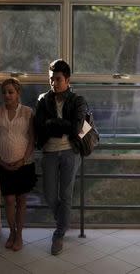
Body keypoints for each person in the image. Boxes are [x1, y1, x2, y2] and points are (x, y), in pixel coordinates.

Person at [34, 59, 86, 255]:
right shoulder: (42, 99)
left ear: (67, 79)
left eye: (57, 79)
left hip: (70, 152)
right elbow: (39, 126)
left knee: (65, 194)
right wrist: (59, 124)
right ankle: (63, 221)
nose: (53, 83)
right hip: (49, 151)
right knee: (48, 194)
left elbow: (75, 128)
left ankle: (59, 233)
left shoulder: (77, 100)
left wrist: (52, 123)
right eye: (51, 79)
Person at [0, 77, 36, 251]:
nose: (7, 96)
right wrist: (0, 160)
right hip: (3, 165)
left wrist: (23, 160)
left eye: (11, 92)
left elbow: (32, 138)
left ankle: (20, 235)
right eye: (4, 92)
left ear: (18, 93)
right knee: (9, 199)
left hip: (24, 164)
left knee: (22, 200)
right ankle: (12, 232)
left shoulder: (28, 112)